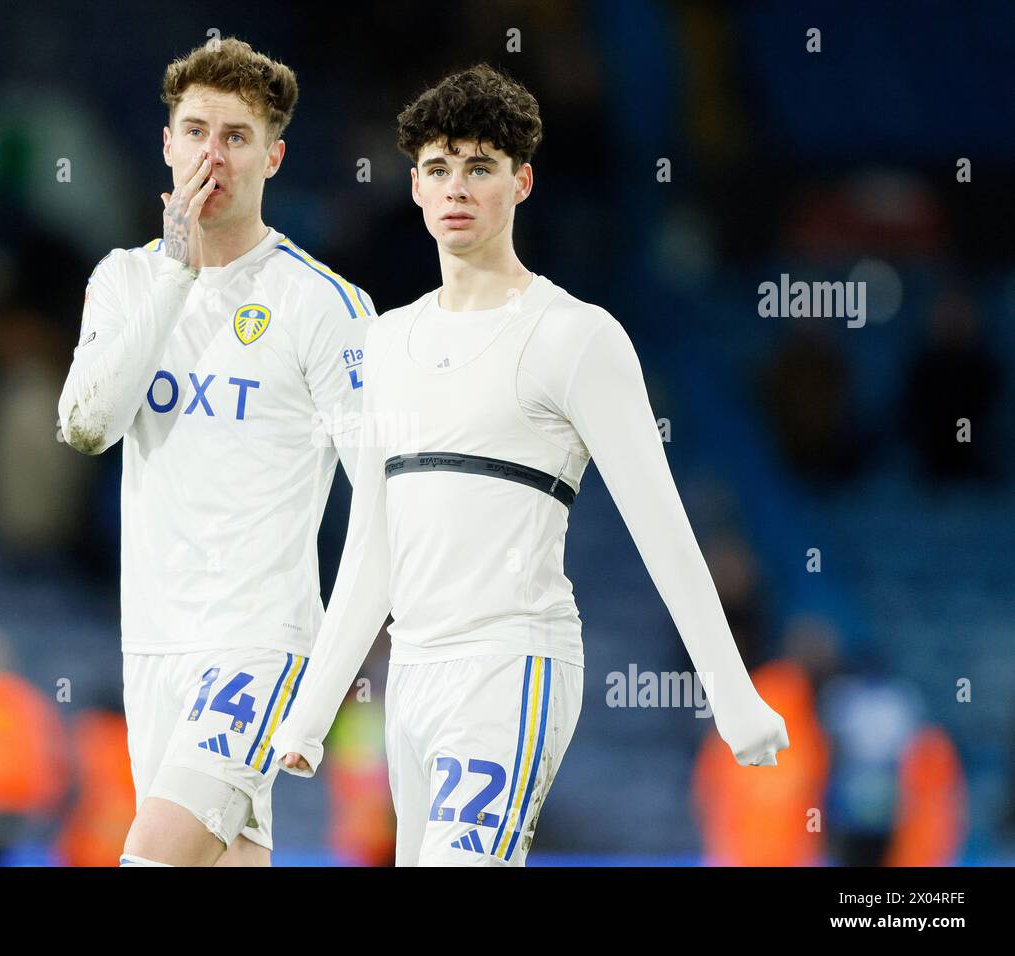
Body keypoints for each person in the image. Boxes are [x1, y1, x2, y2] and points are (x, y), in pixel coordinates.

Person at [271, 64, 787, 866]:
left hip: (513, 663)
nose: (457, 187)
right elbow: (373, 546)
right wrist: (312, 709)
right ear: (413, 186)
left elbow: (663, 526)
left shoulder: (575, 338)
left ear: (523, 180)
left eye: (480, 166)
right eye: (439, 169)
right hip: (411, 677)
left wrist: (730, 690)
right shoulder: (386, 341)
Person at [57, 37, 375, 866]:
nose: (212, 154)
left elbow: (383, 489)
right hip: (153, 643)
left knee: (152, 856)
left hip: (259, 641)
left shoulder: (325, 305)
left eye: (236, 137)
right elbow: (87, 425)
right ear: (167, 144)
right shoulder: (127, 279)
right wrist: (174, 269)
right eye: (195, 130)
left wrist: (332, 669)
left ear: (273, 156)